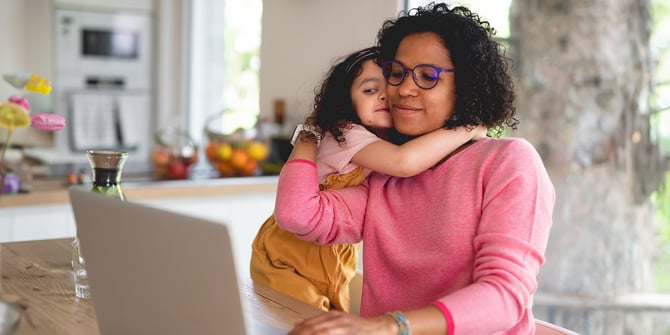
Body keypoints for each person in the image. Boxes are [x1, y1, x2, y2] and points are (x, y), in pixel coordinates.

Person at [274, 3, 555, 335]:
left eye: (427, 76)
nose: (403, 89)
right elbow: (299, 215)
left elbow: (505, 298)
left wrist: (389, 326)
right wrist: (311, 132)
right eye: (397, 73)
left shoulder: (507, 161)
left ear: (466, 87)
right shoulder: (383, 175)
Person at [250, 46, 485, 313]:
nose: (385, 95)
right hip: (288, 257)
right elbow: (404, 163)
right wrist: (468, 127)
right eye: (370, 90)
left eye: (390, 86)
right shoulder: (346, 133)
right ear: (346, 101)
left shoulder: (378, 141)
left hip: (332, 256)